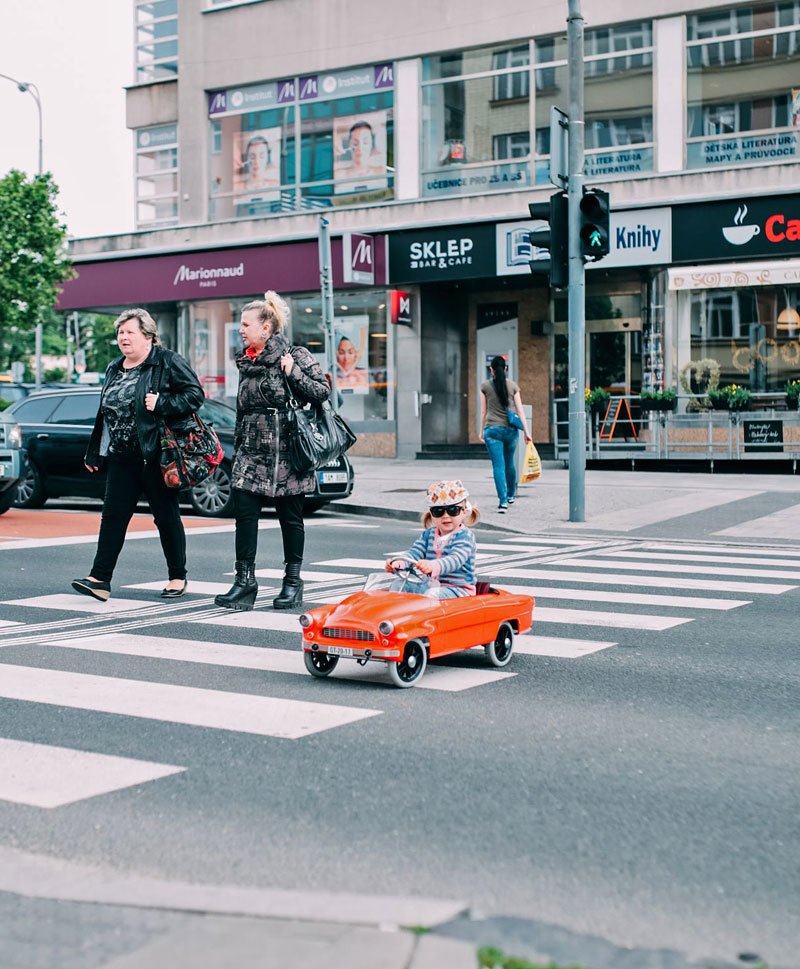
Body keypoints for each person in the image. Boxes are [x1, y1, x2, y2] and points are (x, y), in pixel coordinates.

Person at [72, 308, 205, 602]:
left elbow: (195, 395)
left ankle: (177, 575)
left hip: (157, 456)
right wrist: (95, 452)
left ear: (148, 336)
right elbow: (104, 414)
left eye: (130, 332)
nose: (123, 337)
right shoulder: (114, 368)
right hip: (122, 457)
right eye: (120, 332)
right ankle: (100, 579)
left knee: (166, 517)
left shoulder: (166, 362)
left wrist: (162, 402)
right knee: (112, 518)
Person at [215, 291, 330, 612]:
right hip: (251, 454)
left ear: (266, 328)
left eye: (246, 324)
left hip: (287, 453)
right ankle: (245, 582)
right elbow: (242, 410)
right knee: (245, 517)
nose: (241, 329)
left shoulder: (294, 355)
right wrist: (238, 448)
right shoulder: (246, 362)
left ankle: (292, 582)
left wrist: (293, 371)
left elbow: (322, 391)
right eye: (241, 324)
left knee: (290, 520)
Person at [385, 480, 479, 599]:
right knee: (399, 585)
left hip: (458, 590)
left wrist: (433, 566)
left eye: (453, 510)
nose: (446, 516)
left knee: (432, 595)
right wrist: (399, 563)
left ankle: (423, 617)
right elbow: (414, 553)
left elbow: (455, 559)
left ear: (464, 511)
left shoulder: (465, 536)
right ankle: (395, 615)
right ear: (432, 514)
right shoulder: (428, 534)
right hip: (431, 585)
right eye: (438, 511)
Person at [479, 355, 532, 513]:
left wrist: (481, 431)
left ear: (491, 370)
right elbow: (520, 412)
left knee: (498, 466)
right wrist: (527, 433)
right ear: (506, 369)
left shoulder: (485, 386)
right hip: (510, 431)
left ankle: (503, 502)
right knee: (509, 463)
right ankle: (510, 495)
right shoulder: (513, 386)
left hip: (492, 430)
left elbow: (483, 411)